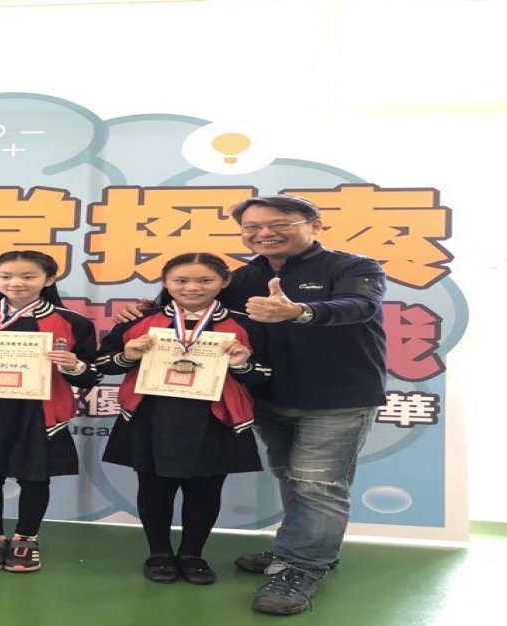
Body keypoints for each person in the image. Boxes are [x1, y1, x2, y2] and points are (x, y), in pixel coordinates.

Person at [115, 195, 387, 615]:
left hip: (336, 398)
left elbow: (360, 305)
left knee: (317, 485)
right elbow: (195, 306)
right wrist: (143, 309)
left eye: (279, 223)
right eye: (252, 227)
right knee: (291, 478)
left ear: (314, 224)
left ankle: (300, 568)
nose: (264, 233)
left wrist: (298, 311)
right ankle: (296, 548)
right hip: (267, 396)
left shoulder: (353, 267)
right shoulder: (244, 277)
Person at [95, 252, 267, 585]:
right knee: (153, 487)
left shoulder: (245, 323)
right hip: (151, 414)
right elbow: (103, 364)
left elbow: (265, 376)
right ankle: (158, 553)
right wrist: (127, 355)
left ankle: (193, 554)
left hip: (216, 417)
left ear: (225, 282)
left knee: (205, 490)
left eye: (205, 280)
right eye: (181, 280)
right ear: (165, 282)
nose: (192, 288)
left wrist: (242, 364)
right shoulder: (139, 319)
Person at [0, 251, 100, 573]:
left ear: (49, 279)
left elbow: (90, 375)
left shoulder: (72, 322)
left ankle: (26, 538)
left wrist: (74, 365)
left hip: (39, 412)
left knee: (35, 477)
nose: (16, 283)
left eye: (28, 276)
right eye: (6, 276)